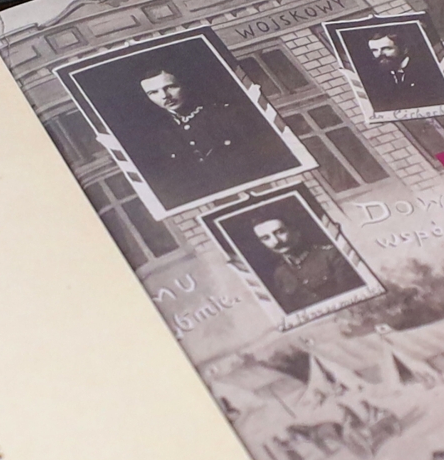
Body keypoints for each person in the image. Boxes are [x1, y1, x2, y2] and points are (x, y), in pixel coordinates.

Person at [127, 66, 292, 207]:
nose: (164, 96)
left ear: (184, 84)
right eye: (153, 92)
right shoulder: (161, 134)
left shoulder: (227, 114)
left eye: (170, 87)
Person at [250, 210, 364, 313]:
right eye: (266, 238)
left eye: (280, 232)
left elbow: (354, 296)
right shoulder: (280, 274)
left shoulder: (331, 255)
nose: (276, 241)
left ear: (295, 231)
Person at [355, 28, 444, 110]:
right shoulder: (378, 79)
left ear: (404, 49)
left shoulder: (427, 69)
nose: (380, 54)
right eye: (374, 50)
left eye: (386, 49)